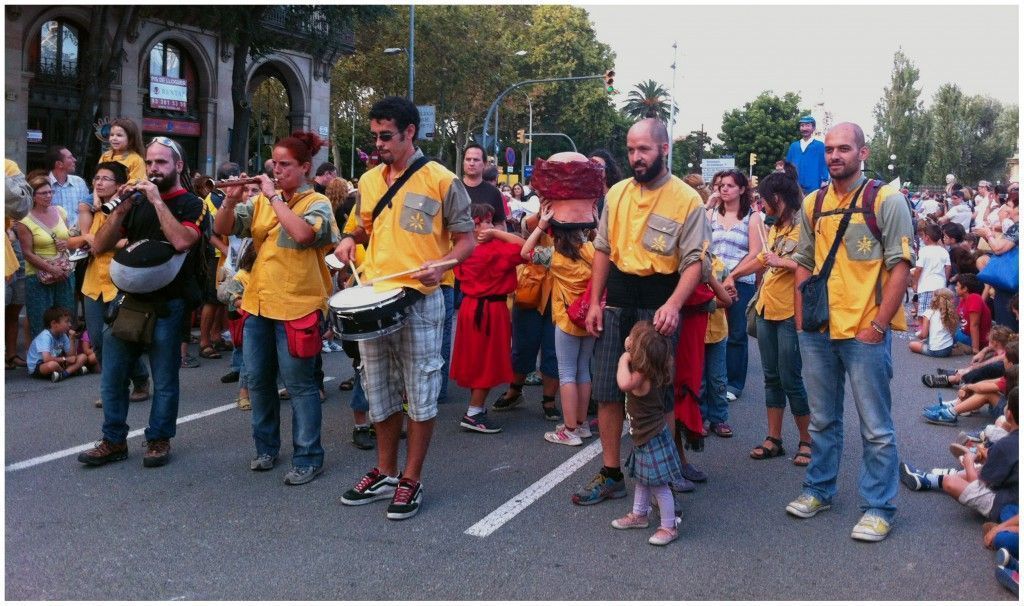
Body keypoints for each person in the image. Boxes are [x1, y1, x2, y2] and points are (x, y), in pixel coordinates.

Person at [335, 97, 474, 520]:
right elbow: (362, 227)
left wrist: (446, 264)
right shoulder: (370, 180)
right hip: (375, 297)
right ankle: (384, 471)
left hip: (422, 298)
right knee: (379, 392)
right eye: (374, 136)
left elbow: (465, 239)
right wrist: (347, 241)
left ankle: (411, 478)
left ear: (410, 132)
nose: (378, 143)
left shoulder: (442, 180)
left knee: (421, 392)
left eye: (386, 136)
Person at [786, 122, 914, 542]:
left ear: (864, 152)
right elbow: (803, 260)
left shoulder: (887, 200)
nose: (835, 155)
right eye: (830, 150)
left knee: (875, 427)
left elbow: (901, 268)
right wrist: (803, 319)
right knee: (822, 420)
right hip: (819, 330)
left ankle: (879, 507)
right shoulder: (813, 202)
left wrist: (878, 326)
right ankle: (819, 489)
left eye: (844, 148)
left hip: (864, 331)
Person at [576, 118, 710, 507]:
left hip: (659, 301)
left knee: (658, 395)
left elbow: (695, 261)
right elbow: (603, 248)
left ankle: (662, 475)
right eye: (632, 149)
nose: (636, 157)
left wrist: (673, 304)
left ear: (664, 149)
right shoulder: (616, 194)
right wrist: (595, 302)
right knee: (605, 389)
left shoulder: (687, 199)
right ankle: (611, 473)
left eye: (644, 149)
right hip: (617, 298)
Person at [215, 131, 339, 486]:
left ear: (305, 167)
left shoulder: (317, 203)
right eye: (275, 163)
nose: (277, 169)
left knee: (300, 386)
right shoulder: (258, 203)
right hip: (258, 304)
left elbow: (303, 235)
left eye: (286, 165)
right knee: (259, 382)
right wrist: (229, 200)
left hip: (298, 306)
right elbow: (223, 228)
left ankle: (308, 456)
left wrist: (273, 197)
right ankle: (266, 448)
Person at [77, 136, 204, 468]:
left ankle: (159, 438)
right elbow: (100, 246)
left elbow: (181, 241)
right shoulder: (134, 202)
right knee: (113, 374)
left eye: (161, 162)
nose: (153, 169)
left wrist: (157, 201)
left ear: (178, 166)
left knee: (164, 377)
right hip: (129, 300)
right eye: (149, 163)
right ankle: (113, 440)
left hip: (169, 302)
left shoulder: (191, 203)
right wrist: (120, 210)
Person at [730, 171, 811, 464]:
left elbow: (812, 267)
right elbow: (764, 258)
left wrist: (785, 263)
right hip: (766, 309)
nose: (761, 207)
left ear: (777, 199)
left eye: (763, 201)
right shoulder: (776, 226)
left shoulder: (805, 225)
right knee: (771, 378)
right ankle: (774, 438)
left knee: (791, 379)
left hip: (790, 312)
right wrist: (735, 274)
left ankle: (807, 441)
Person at [521, 197, 596, 446]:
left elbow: (524, 252)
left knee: (566, 374)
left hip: (566, 319)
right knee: (584, 370)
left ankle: (569, 429)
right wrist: (593, 220)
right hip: (590, 319)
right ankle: (582, 424)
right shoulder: (591, 252)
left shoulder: (554, 256)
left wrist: (541, 225)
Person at [78, 161, 151, 407]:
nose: (99, 182)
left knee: (119, 338)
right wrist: (89, 239)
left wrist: (97, 241)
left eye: (105, 179)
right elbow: (76, 240)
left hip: (118, 281)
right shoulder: (90, 209)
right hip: (92, 284)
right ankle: (117, 385)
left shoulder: (128, 208)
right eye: (96, 178)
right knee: (97, 340)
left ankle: (133, 382)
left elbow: (128, 241)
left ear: (119, 185)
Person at [451, 204, 525, 434]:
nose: (489, 226)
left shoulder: (461, 249)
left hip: (470, 307)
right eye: (484, 222)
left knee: (476, 359)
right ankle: (474, 412)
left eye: (490, 221)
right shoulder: (495, 249)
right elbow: (524, 248)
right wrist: (498, 234)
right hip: (491, 310)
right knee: (487, 361)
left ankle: (476, 408)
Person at [609, 320, 684, 546]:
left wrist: (624, 357)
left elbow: (623, 383)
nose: (628, 340)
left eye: (632, 338)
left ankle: (669, 526)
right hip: (646, 436)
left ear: (639, 351)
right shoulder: (655, 367)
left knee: (659, 485)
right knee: (643, 479)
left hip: (651, 438)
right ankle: (639, 514)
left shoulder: (640, 375)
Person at [901, 390, 1018, 528]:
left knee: (952, 482)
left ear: (1009, 414)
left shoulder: (1006, 445)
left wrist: (969, 462)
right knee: (984, 468)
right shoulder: (1007, 444)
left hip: (1010, 508)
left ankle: (931, 479)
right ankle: (928, 478)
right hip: (1012, 487)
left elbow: (977, 483)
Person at [716, 169, 766, 401]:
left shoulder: (752, 217)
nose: (724, 189)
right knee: (712, 333)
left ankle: (733, 383)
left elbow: (756, 253)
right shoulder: (711, 214)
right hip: (711, 282)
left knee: (736, 333)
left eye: (730, 185)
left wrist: (732, 276)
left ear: (742, 189)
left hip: (740, 282)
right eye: (721, 185)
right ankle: (713, 378)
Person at [17, 175, 77, 337]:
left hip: (64, 273)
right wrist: (51, 268)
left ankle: (64, 359)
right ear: (33, 196)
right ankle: (42, 361)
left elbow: (69, 237)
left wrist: (66, 243)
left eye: (50, 192)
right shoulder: (24, 220)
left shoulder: (60, 211)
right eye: (43, 193)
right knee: (41, 323)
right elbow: (27, 253)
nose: (48, 196)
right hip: (38, 277)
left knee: (65, 319)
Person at [26, 305, 91, 381]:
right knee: (52, 365)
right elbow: (46, 359)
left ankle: (63, 374)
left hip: (58, 362)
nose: (69, 324)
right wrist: (65, 359)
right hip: (39, 365)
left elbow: (72, 357)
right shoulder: (45, 336)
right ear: (54, 323)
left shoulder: (62, 334)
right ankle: (71, 371)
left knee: (83, 357)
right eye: (66, 321)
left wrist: (72, 339)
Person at [911, 223, 951, 321]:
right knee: (937, 314)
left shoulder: (924, 251)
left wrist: (915, 283)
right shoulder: (943, 251)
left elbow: (918, 269)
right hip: (940, 286)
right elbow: (948, 267)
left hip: (926, 286)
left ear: (927, 237)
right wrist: (944, 280)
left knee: (924, 315)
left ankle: (924, 334)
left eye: (923, 236)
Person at [462, 144, 506, 227]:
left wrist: (490, 233)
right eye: (468, 159)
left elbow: (500, 225)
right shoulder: (453, 189)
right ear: (463, 162)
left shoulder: (494, 192)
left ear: (484, 164)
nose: (471, 163)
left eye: (476, 160)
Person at [45, 146, 89, 228]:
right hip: (52, 235)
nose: (75, 160)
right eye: (70, 157)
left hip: (79, 234)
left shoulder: (79, 182)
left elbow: (88, 210)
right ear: (59, 164)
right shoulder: (44, 184)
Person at [785, 115, 829, 195]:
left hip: (815, 187)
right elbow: (788, 166)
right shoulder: (794, 146)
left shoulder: (820, 146)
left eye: (808, 125)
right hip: (796, 187)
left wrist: (825, 180)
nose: (804, 128)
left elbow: (825, 164)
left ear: (813, 128)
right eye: (802, 125)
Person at [909, 288, 957, 359]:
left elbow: (924, 335)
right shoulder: (951, 313)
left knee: (911, 345)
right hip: (948, 349)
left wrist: (919, 335)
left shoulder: (929, 312)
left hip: (935, 351)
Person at [98, 118, 147, 183]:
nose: (114, 138)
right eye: (112, 135)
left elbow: (137, 183)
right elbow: (98, 176)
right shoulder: (106, 156)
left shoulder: (136, 160)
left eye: (119, 135)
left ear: (130, 139)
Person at [954, 274, 992, 355]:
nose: (955, 288)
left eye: (957, 285)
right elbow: (955, 318)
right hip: (965, 334)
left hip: (974, 339)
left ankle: (970, 348)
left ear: (965, 289)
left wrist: (976, 349)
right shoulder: (964, 299)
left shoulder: (974, 298)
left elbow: (975, 325)